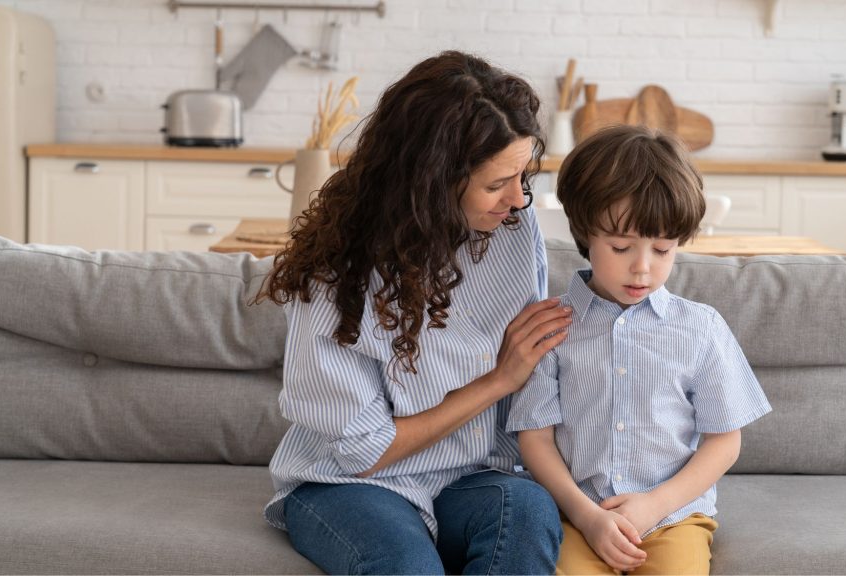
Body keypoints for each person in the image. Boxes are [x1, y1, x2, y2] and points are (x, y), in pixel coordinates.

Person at [258, 51, 570, 575]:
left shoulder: (514, 230)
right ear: (431, 182)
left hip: (472, 477)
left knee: (529, 512)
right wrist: (498, 381)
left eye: (523, 177)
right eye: (496, 184)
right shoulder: (335, 277)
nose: (517, 200)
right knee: (405, 564)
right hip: (351, 485)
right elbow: (364, 451)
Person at [506, 125, 772, 575]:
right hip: (578, 517)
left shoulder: (700, 328)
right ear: (585, 232)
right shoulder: (552, 327)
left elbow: (724, 441)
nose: (643, 268)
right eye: (621, 247)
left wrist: (654, 506)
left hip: (672, 520)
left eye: (664, 249)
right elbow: (535, 439)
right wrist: (588, 517)